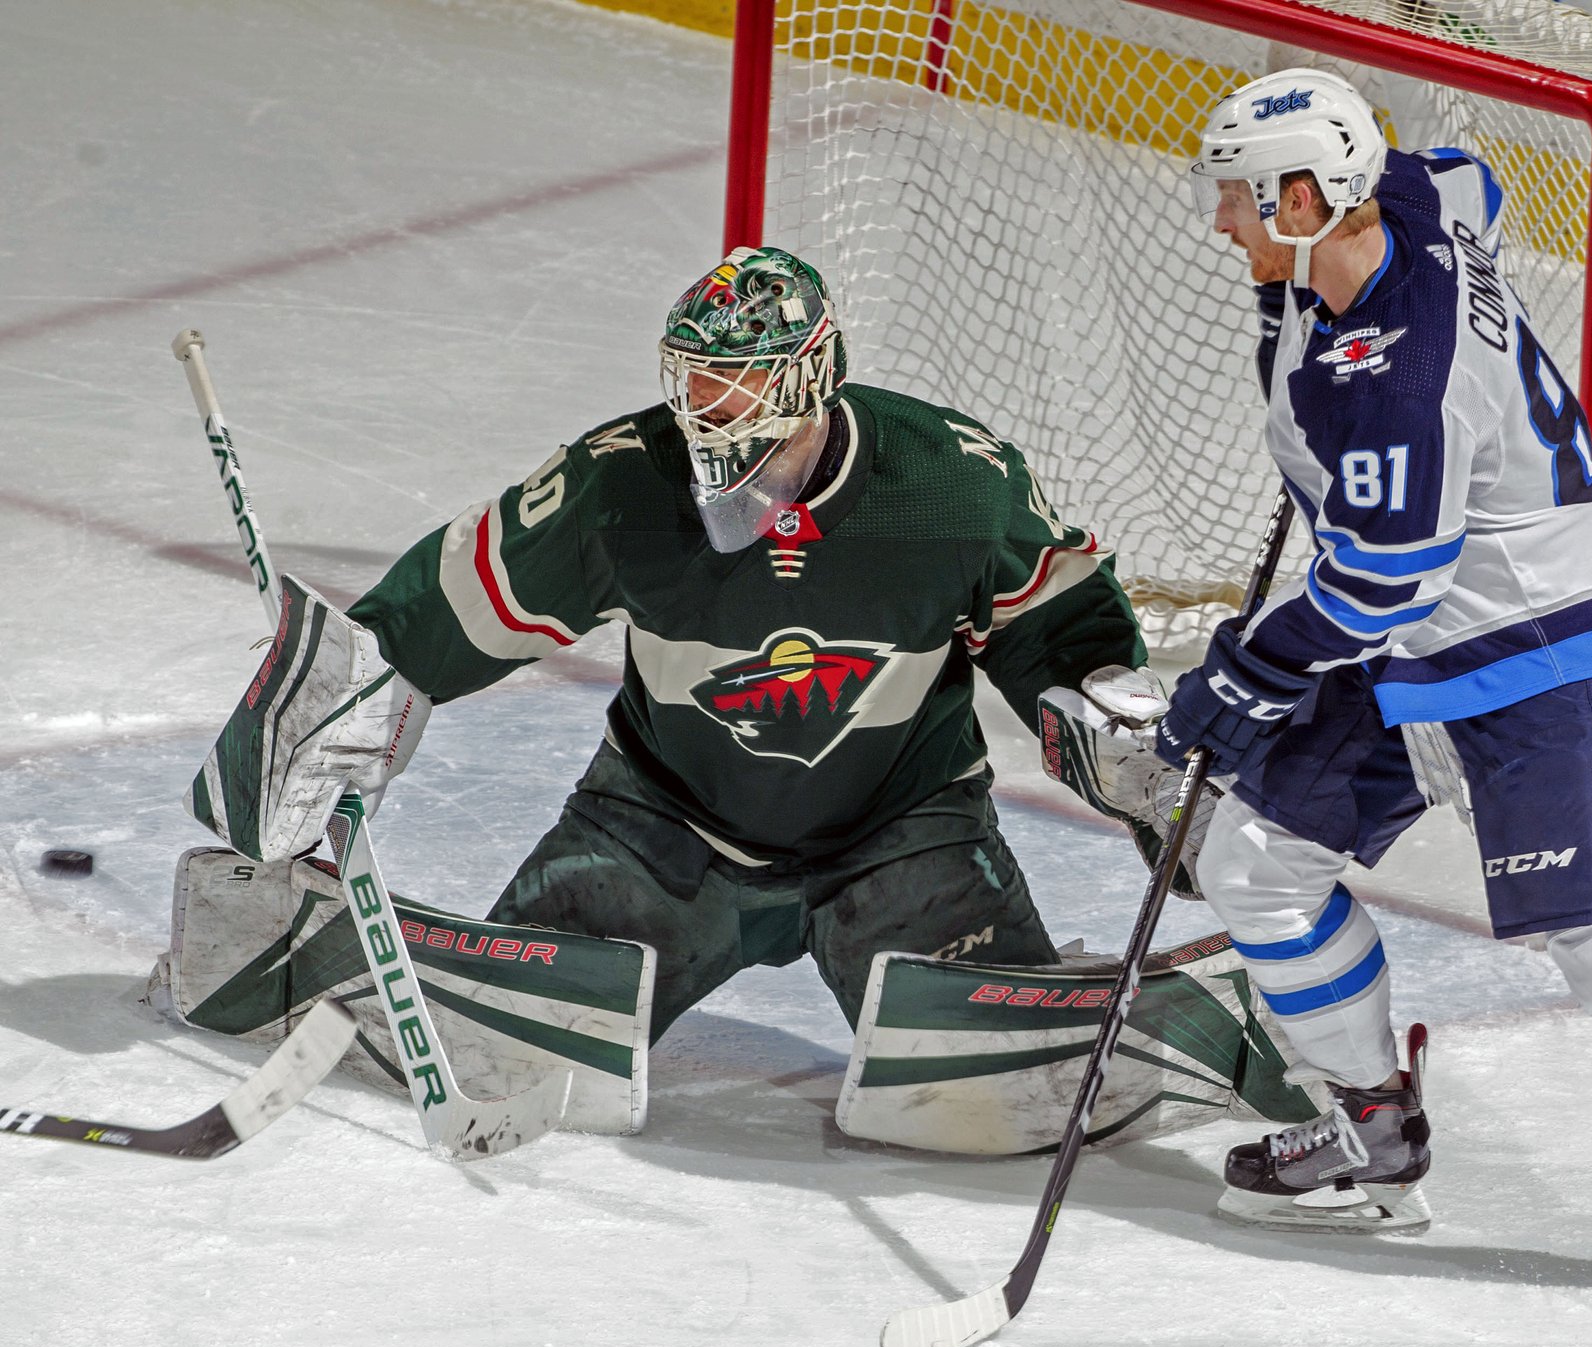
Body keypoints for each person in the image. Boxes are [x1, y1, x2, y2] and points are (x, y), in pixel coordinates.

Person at [1156, 69, 1592, 1328]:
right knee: (1256, 863)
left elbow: (1373, 584)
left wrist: (1241, 680)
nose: (1222, 226)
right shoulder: (1410, 206)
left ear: (1307, 197)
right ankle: (1371, 1126)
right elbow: (1460, 171)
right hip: (1418, 630)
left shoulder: (1389, 376)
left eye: (1241, 203)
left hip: (1545, 642)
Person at [187, 245, 1169, 1044]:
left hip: (901, 834)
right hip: (657, 831)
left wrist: (1119, 736)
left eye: (736, 381)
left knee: (985, 1088)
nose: (704, 404)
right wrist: (339, 709)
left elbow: (1064, 640)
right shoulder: (621, 484)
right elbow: (442, 615)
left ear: (812, 373)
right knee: (505, 1039)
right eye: (694, 375)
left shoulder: (953, 485)